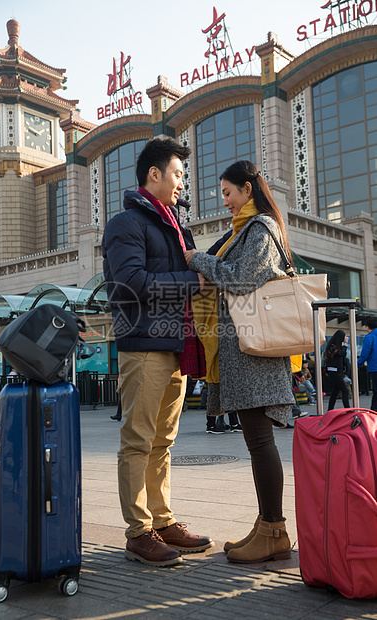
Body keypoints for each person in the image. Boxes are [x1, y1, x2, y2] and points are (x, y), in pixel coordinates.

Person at [102, 137, 213, 567]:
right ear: (154, 174)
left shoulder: (172, 223)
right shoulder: (126, 224)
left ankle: (162, 521)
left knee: (162, 443)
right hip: (144, 345)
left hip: (175, 345)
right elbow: (128, 284)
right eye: (178, 173)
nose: (182, 182)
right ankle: (138, 531)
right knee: (138, 441)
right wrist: (193, 281)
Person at [184, 160, 294, 564]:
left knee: (261, 442)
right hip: (247, 354)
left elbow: (243, 279)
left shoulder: (261, 228)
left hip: (255, 354)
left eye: (228, 193)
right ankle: (267, 525)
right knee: (256, 441)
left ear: (248, 189)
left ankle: (275, 531)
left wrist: (198, 259)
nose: (225, 201)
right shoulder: (244, 231)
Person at [324, 329, 350, 410]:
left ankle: (330, 409)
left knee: (335, 392)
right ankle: (347, 409)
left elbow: (342, 354)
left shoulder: (335, 346)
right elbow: (341, 354)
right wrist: (345, 344)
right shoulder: (332, 346)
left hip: (337, 371)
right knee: (345, 391)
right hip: (334, 371)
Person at [357, 318, 377, 411]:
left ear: (368, 327)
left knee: (376, 391)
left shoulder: (370, 337)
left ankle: (374, 411)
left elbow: (365, 353)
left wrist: (358, 364)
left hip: (374, 367)